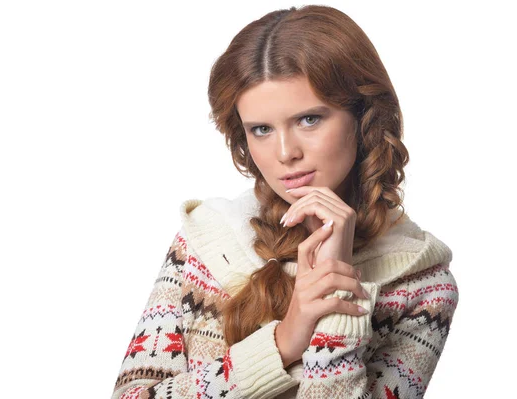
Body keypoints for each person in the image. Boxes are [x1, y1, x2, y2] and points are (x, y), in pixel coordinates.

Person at [110, 4, 459, 398]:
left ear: (365, 117)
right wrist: (283, 342)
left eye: (309, 119)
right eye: (260, 129)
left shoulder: (423, 287)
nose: (285, 152)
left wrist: (335, 287)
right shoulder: (207, 241)